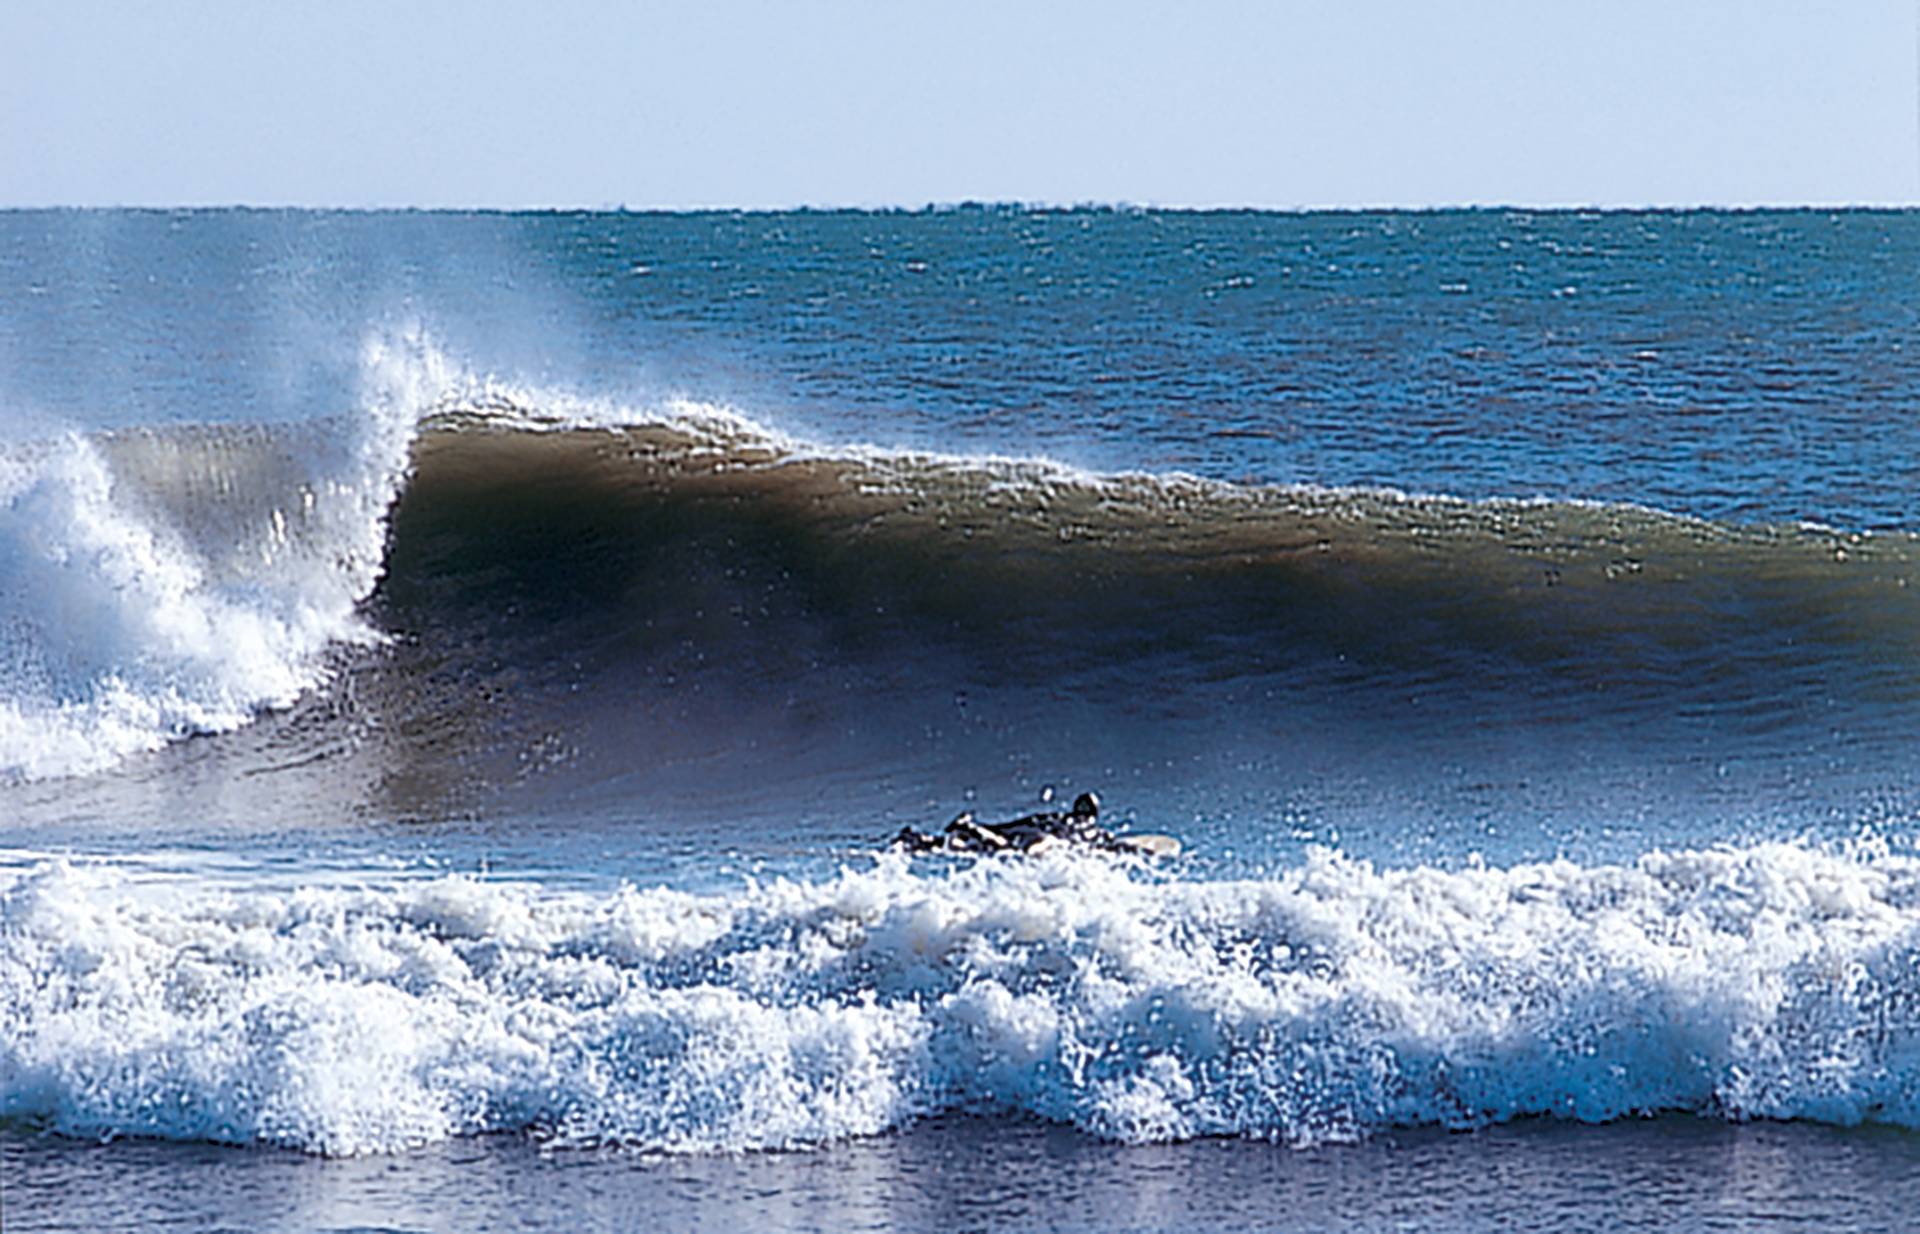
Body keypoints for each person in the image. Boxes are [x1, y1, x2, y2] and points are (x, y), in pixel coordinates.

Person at [893, 791, 1112, 854]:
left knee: (989, 839)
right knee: (1004, 849)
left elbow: (1029, 821)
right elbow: (1108, 845)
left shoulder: (1058, 816)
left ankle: (922, 840)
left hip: (1031, 828)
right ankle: (969, 828)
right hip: (1044, 839)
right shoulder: (1090, 828)